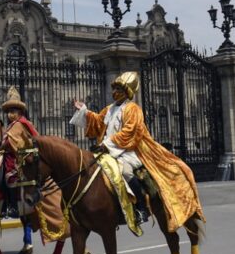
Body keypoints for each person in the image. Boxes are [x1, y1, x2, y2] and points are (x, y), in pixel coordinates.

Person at [70, 71, 205, 232]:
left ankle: (140, 208)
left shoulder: (133, 109)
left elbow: (130, 131)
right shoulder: (109, 109)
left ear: (127, 92)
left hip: (128, 151)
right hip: (108, 150)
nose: (115, 92)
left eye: (119, 90)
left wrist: (108, 144)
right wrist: (84, 111)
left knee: (125, 172)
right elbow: (97, 122)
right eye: (114, 89)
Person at [0, 86, 69, 254]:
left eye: (14, 111)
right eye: (9, 111)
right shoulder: (14, 125)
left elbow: (12, 144)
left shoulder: (21, 124)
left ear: (20, 112)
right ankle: (18, 218)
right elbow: (4, 141)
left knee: (8, 178)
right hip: (11, 158)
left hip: (21, 162)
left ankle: (11, 205)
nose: (11, 114)